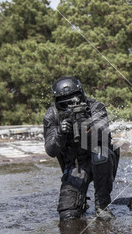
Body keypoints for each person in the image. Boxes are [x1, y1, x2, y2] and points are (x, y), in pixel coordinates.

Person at [43, 76, 119, 221]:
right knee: (67, 215)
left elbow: (103, 135)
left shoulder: (95, 107)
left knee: (101, 153)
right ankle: (80, 201)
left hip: (99, 160)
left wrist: (84, 124)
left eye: (74, 101)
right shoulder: (52, 115)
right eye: (64, 104)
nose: (70, 106)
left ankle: (102, 205)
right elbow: (50, 150)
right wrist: (61, 132)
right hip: (75, 165)